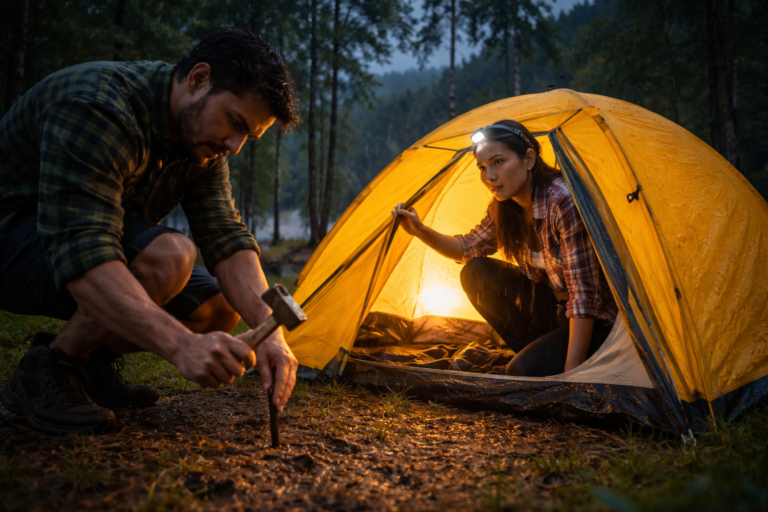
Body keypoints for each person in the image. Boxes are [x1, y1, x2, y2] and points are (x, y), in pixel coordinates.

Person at [0, 28, 300, 434]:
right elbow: (82, 250)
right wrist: (180, 345)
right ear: (198, 79)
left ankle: (87, 369)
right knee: (170, 257)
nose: (235, 145)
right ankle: (49, 370)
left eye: (248, 135)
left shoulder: (201, 141)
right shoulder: (97, 107)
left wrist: (269, 328)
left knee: (217, 308)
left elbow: (226, 238)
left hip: (74, 247)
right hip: (13, 239)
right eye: (235, 122)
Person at [392, 120, 618, 377]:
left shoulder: (561, 200)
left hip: (593, 321)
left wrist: (571, 375)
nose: (489, 176)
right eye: (482, 167)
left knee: (521, 370)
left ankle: (541, 365)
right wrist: (420, 230)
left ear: (529, 159)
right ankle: (532, 354)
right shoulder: (505, 206)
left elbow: (584, 296)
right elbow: (468, 247)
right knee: (475, 273)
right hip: (553, 308)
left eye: (498, 162)